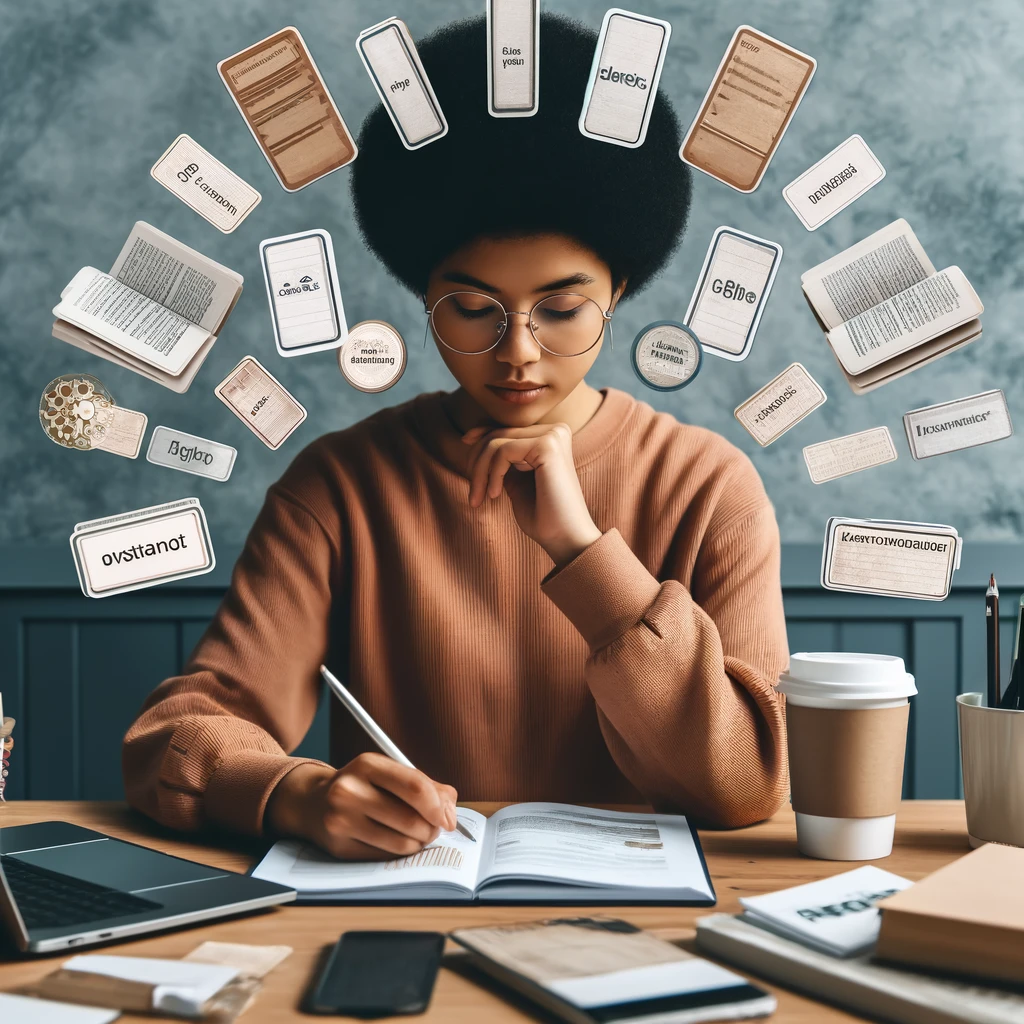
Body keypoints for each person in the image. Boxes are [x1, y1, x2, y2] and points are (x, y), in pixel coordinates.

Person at [123, 12, 789, 860]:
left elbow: (746, 789)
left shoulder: (710, 487)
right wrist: (295, 794)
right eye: (472, 310)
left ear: (619, 289)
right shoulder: (341, 485)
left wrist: (581, 551)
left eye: (561, 309)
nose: (517, 352)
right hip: (398, 905)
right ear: (420, 293)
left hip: (643, 925)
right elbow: (173, 740)